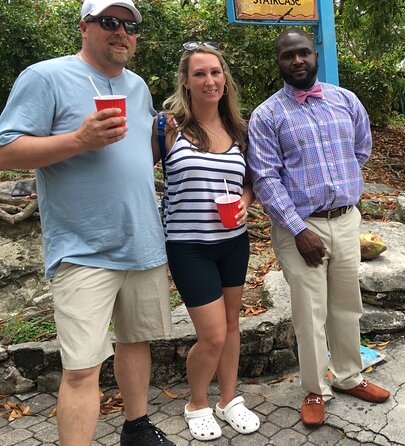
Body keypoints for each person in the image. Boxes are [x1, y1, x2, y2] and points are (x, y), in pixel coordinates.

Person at [0, 0, 175, 445]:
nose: (123, 32)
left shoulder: (137, 87)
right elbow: (5, 150)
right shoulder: (45, 76)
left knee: (137, 343)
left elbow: (132, 160)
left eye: (131, 25)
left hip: (142, 242)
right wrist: (79, 138)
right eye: (110, 22)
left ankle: (136, 428)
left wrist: (163, 144)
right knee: (81, 368)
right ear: (85, 26)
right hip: (83, 249)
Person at [247, 28, 391, 427]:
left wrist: (342, 190)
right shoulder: (267, 115)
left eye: (303, 53)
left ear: (315, 55)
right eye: (287, 55)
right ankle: (315, 388)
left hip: (345, 221)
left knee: (346, 305)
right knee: (310, 314)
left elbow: (361, 148)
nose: (297, 61)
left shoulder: (345, 100)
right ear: (278, 62)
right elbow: (265, 179)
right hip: (300, 228)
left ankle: (349, 376)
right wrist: (298, 228)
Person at [153, 41, 260, 441]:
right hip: (188, 245)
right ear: (186, 82)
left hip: (233, 241)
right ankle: (196, 402)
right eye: (200, 73)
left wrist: (246, 203)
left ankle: (228, 399)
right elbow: (132, 171)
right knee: (212, 334)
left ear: (224, 79)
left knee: (232, 326)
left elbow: (250, 182)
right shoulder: (168, 127)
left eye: (215, 72)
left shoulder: (238, 129)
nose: (209, 80)